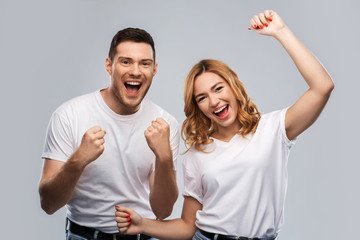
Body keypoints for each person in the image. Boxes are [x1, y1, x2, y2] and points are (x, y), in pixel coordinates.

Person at [114, 10, 334, 240]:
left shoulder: (273, 129)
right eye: (202, 98)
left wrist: (281, 32)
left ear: (233, 87)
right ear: (197, 106)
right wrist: (142, 224)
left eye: (218, 88)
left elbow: (322, 87)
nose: (214, 101)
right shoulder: (197, 155)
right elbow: (189, 226)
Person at [39, 27, 180, 240]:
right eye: (125, 61)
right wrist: (77, 161)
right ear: (109, 66)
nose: (135, 71)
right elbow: (48, 204)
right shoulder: (69, 115)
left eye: (145, 63)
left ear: (154, 69)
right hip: (83, 235)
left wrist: (164, 157)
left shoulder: (165, 124)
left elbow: (163, 211)